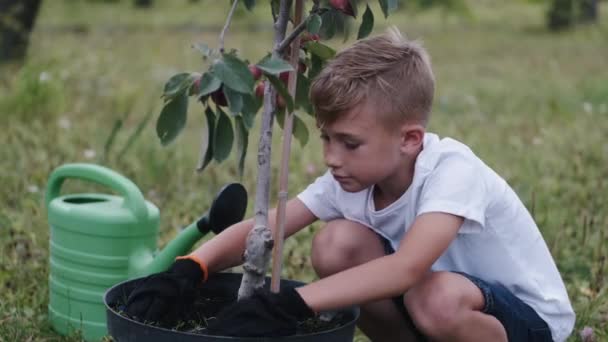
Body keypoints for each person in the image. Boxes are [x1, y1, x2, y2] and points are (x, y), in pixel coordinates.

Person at [125, 27, 575, 341]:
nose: (330, 157)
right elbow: (270, 225)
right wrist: (192, 269)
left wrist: (293, 305)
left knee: (436, 298)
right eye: (325, 137)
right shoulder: (354, 178)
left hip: (526, 322)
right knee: (335, 244)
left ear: (410, 139)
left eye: (349, 143)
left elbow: (407, 270)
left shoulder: (452, 171)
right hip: (437, 303)